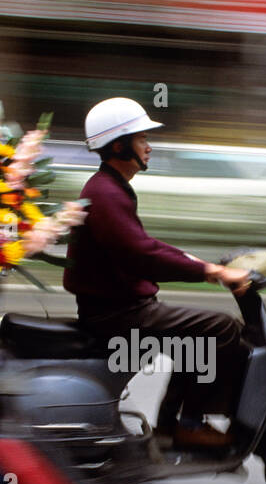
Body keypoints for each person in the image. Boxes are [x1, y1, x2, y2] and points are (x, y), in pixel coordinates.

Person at [64, 96, 251, 449]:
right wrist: (208, 272)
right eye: (141, 139)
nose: (149, 147)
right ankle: (186, 425)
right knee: (222, 328)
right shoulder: (105, 194)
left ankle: (175, 424)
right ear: (119, 145)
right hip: (121, 316)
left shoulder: (109, 188)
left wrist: (202, 265)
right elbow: (141, 255)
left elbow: (141, 243)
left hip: (121, 309)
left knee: (196, 336)